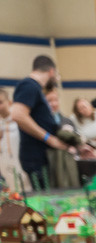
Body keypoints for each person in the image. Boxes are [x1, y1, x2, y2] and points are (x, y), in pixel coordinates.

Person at [10, 55, 85, 188]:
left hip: (43, 158)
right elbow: (17, 115)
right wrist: (49, 139)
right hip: (36, 159)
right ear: (51, 71)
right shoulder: (29, 85)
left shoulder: (34, 88)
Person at [0, 89, 26, 189]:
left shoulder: (20, 121)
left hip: (21, 168)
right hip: (5, 169)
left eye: (1, 102)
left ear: (9, 102)